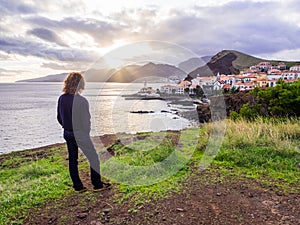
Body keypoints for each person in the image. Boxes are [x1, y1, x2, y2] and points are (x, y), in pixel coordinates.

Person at [57, 72, 108, 192]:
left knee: (72, 160)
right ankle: (97, 184)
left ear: (67, 82)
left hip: (67, 133)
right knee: (93, 158)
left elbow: (59, 117)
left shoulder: (61, 98)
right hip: (80, 133)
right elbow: (86, 121)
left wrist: (67, 127)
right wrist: (84, 133)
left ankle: (78, 186)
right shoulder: (81, 101)